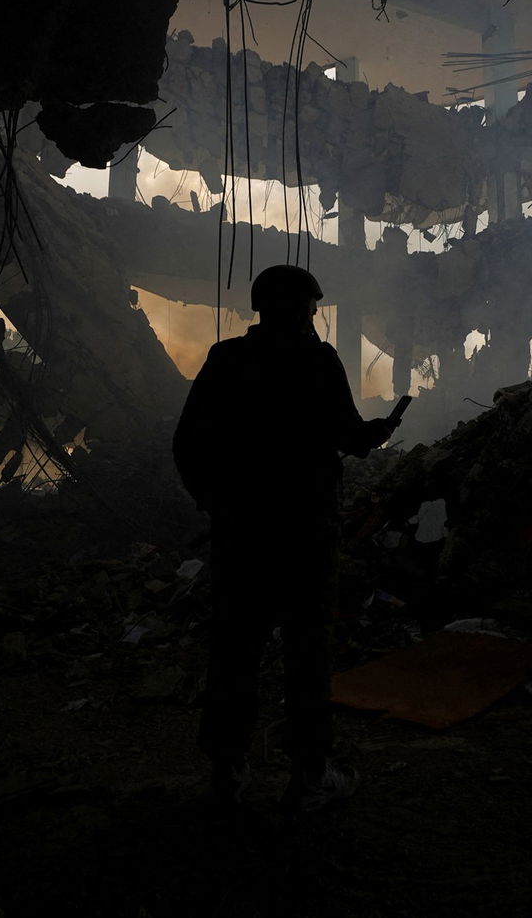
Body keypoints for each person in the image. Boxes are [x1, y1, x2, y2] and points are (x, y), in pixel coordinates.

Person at [172, 264, 396, 813]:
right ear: (298, 309)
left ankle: (227, 771)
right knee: (307, 652)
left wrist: (216, 503)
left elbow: (187, 445)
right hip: (305, 532)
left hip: (242, 533)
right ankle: (310, 776)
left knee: (235, 648)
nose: (315, 316)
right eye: (312, 307)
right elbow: (350, 437)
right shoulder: (317, 361)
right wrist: (377, 433)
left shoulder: (227, 359)